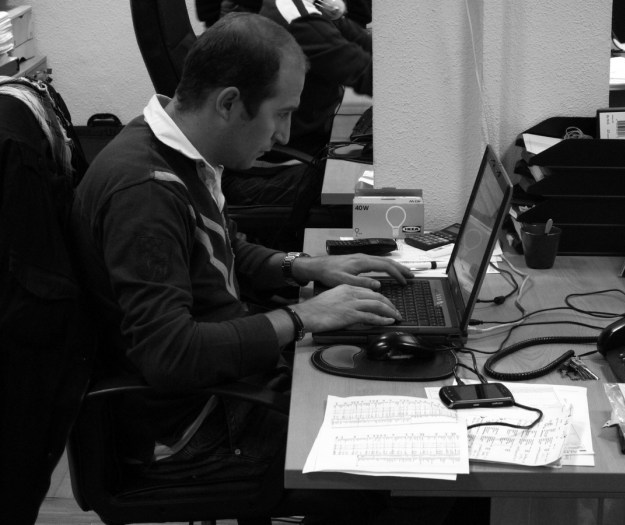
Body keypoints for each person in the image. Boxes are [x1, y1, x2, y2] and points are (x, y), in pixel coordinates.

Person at [71, 11, 458, 524]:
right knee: (416, 474)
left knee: (402, 396)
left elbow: (225, 247)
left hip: (226, 383)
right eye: (282, 113)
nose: (285, 133)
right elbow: (169, 354)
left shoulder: (174, 151)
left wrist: (308, 267)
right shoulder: (144, 193)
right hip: (198, 427)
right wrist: (303, 317)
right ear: (229, 102)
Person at [194, 0, 373, 250]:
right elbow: (370, 74)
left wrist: (339, 18)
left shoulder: (300, 9)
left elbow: (371, 51)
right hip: (262, 168)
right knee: (361, 193)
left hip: (269, 156)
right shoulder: (296, 18)